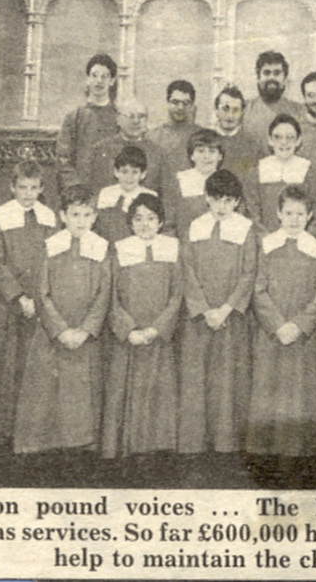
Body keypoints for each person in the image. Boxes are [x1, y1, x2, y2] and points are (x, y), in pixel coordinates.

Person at [14, 185, 111, 460]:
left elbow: (105, 293)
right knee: (47, 390)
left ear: (94, 217)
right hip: (52, 335)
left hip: (84, 335)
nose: (81, 221)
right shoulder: (51, 246)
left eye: (87, 215)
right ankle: (44, 446)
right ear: (63, 216)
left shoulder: (102, 249)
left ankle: (80, 446)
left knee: (81, 392)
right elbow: (41, 293)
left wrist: (85, 330)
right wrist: (59, 329)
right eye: (75, 214)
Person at [0, 161, 57, 442]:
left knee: (32, 363)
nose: (28, 194)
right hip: (7, 303)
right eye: (22, 187)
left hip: (39, 302)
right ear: (12, 187)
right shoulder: (1, 215)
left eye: (33, 188)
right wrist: (18, 296)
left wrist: (38, 297)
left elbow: (53, 259)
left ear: (41, 189)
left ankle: (29, 429)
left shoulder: (49, 217)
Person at [247, 184, 316, 464]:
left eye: (300, 214)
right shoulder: (267, 246)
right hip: (272, 332)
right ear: (278, 214)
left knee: (302, 390)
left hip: (303, 334)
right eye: (289, 213)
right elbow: (257, 289)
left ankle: (300, 454)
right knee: (269, 388)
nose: (294, 219)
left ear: (309, 216)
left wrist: (299, 325)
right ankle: (265, 455)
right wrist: (278, 324)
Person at [179, 169, 257, 456]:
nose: (222, 207)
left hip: (230, 317)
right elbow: (186, 270)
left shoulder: (246, 229)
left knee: (228, 379)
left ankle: (227, 443)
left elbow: (249, 273)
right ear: (206, 199)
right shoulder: (194, 226)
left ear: (237, 202)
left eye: (228, 201)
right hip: (199, 317)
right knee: (197, 377)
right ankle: (194, 442)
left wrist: (225, 309)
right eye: (216, 200)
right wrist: (203, 309)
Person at [101, 192, 182, 461]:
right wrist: (129, 330)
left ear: (160, 222)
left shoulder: (172, 249)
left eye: (151, 218)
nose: (145, 224)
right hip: (130, 339)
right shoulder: (119, 249)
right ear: (130, 223)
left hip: (159, 338)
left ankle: (158, 450)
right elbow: (110, 296)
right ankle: (126, 449)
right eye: (138, 219)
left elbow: (177, 295)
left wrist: (156, 329)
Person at [242, 114, 316, 236]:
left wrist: (302, 241)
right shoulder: (256, 172)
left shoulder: (309, 172)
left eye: (290, 137)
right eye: (277, 137)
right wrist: (268, 241)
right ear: (270, 140)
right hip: (265, 243)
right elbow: (252, 215)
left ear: (298, 141)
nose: (283, 142)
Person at [57, 54, 119, 194]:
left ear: (112, 81)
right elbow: (63, 157)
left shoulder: (119, 117)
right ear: (87, 79)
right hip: (80, 192)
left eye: (105, 76)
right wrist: (75, 187)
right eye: (94, 75)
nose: (99, 81)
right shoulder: (74, 117)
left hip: (111, 190)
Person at [242, 52, 306, 161]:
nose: (272, 77)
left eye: (277, 73)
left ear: (285, 79)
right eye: (266, 73)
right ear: (258, 77)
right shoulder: (245, 109)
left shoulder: (299, 111)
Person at [165, 127, 225, 240]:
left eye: (212, 151)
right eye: (200, 151)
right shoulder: (179, 180)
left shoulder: (227, 181)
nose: (206, 156)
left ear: (220, 156)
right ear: (191, 155)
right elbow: (168, 224)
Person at [96, 98, 163, 196]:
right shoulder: (101, 149)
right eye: (130, 116)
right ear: (118, 119)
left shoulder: (157, 153)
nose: (136, 121)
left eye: (141, 116)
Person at [94, 145, 155, 246]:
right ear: (116, 172)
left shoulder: (149, 195)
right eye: (124, 171)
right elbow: (100, 226)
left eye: (135, 172)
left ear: (143, 174)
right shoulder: (106, 193)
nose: (129, 178)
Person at [148, 80, 197, 197]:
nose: (180, 107)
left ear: (192, 106)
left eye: (186, 103)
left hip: (192, 200)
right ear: (167, 103)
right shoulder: (152, 137)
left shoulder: (202, 136)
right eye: (175, 102)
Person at [211, 85, 254, 180]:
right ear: (216, 111)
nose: (230, 115)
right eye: (225, 109)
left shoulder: (251, 145)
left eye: (235, 110)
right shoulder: (204, 140)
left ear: (242, 113)